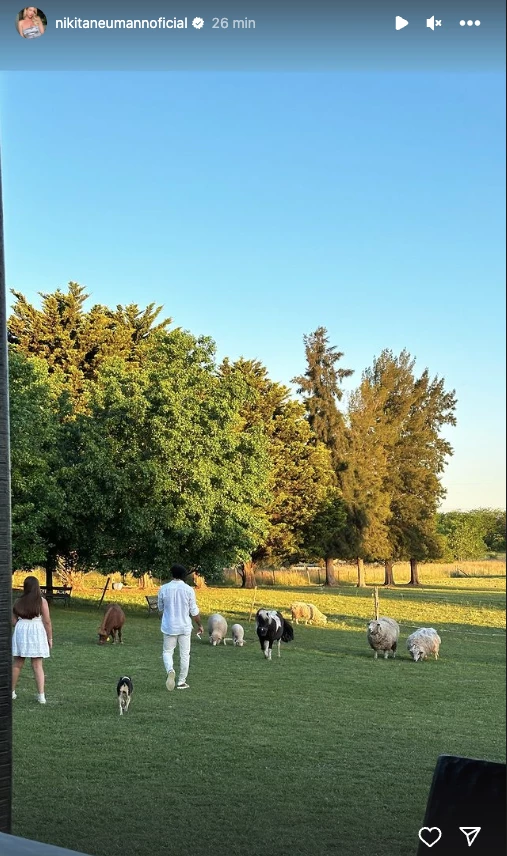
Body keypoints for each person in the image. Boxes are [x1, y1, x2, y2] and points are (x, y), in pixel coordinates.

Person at [157, 564, 203, 691]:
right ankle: (181, 682)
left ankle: (170, 670)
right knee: (185, 655)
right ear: (184, 576)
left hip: (169, 626)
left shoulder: (163, 588)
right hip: (184, 626)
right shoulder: (188, 590)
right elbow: (194, 611)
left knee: (167, 652)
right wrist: (199, 625)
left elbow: (160, 608)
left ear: (172, 574)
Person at [12, 575, 53, 704]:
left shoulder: (18, 601)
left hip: (21, 629)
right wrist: (49, 637)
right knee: (37, 665)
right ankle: (41, 696)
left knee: (18, 663)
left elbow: (13, 620)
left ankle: (11, 691)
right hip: (36, 631)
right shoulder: (42, 601)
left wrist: (20, 624)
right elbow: (46, 621)